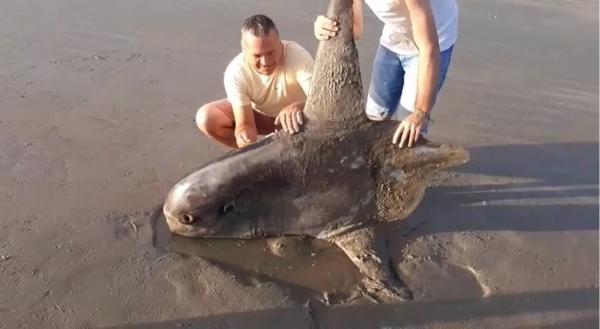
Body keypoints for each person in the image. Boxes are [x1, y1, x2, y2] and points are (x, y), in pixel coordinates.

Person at [314, 0, 458, 148]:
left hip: (435, 37)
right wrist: (325, 28)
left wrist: (421, 113)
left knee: (408, 129)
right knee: (374, 115)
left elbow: (428, 47)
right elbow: (355, 29)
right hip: (395, 36)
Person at [196, 14, 314, 148]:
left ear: (280, 44)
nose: (265, 62)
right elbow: (245, 124)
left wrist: (299, 106)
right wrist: (244, 138)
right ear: (244, 50)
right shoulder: (236, 72)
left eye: (271, 53)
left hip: (299, 118)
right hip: (261, 117)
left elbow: (321, 98)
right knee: (206, 117)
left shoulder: (297, 56)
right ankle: (256, 155)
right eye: (257, 56)